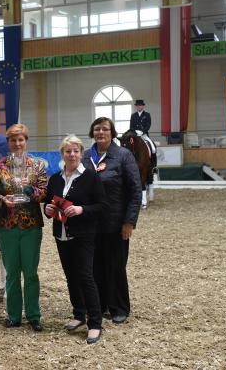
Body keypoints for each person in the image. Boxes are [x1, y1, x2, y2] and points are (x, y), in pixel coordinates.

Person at [44, 135, 107, 344]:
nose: (72, 155)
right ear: (62, 154)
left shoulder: (91, 177)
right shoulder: (55, 179)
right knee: (70, 276)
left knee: (85, 277)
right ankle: (79, 314)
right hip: (61, 234)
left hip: (83, 235)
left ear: (81, 153)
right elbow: (48, 204)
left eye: (76, 151)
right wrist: (47, 209)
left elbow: (102, 206)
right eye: (68, 151)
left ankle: (95, 323)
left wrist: (81, 209)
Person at [82, 117, 142, 325]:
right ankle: (102, 304)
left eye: (105, 129)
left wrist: (129, 222)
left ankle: (120, 306)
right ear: (92, 132)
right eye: (97, 129)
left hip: (116, 223)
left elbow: (135, 191)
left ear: (112, 133)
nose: (101, 132)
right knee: (95, 266)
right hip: (91, 223)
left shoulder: (124, 156)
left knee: (116, 266)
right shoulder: (85, 157)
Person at [0, 124, 47, 332]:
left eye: (20, 139)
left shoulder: (38, 165)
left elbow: (43, 192)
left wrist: (30, 190)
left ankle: (34, 315)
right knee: (12, 273)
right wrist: (3, 199)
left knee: (31, 272)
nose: (17, 143)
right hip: (7, 225)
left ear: (26, 141)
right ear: (8, 143)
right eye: (13, 140)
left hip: (31, 225)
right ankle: (13, 316)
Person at [130, 99, 157, 167]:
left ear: (143, 106)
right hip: (135, 135)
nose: (139, 107)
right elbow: (131, 126)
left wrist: (142, 132)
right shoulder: (133, 115)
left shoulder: (147, 115)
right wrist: (135, 132)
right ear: (136, 106)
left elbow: (148, 125)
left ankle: (154, 166)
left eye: (140, 105)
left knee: (153, 148)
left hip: (144, 135)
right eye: (138, 106)